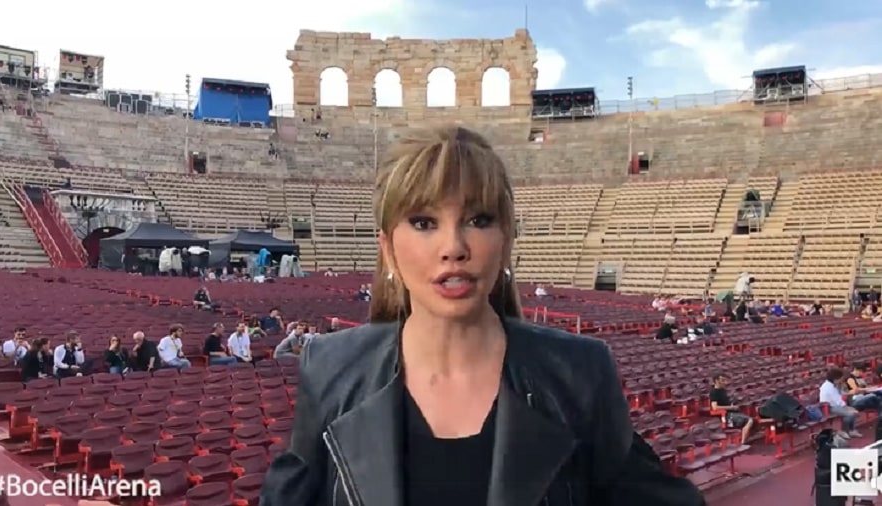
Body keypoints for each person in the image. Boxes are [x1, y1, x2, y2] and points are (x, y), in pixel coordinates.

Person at [259, 127, 704, 506]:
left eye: (479, 218)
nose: (454, 247)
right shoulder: (330, 369)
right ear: (387, 249)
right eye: (423, 222)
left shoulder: (580, 373)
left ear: (506, 240)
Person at [708, 373, 754, 443]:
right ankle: (743, 442)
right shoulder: (714, 392)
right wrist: (731, 407)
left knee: (753, 420)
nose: (725, 382)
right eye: (722, 380)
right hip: (726, 415)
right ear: (716, 381)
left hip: (732, 412)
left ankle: (745, 438)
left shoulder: (723, 390)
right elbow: (715, 407)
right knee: (749, 420)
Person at [820, 367, 861, 438]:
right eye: (840, 379)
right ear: (835, 378)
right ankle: (844, 431)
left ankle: (851, 430)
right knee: (849, 414)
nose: (840, 381)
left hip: (836, 405)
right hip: (829, 407)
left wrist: (848, 407)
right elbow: (837, 401)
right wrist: (847, 408)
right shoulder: (828, 387)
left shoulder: (834, 385)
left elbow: (840, 396)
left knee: (853, 410)